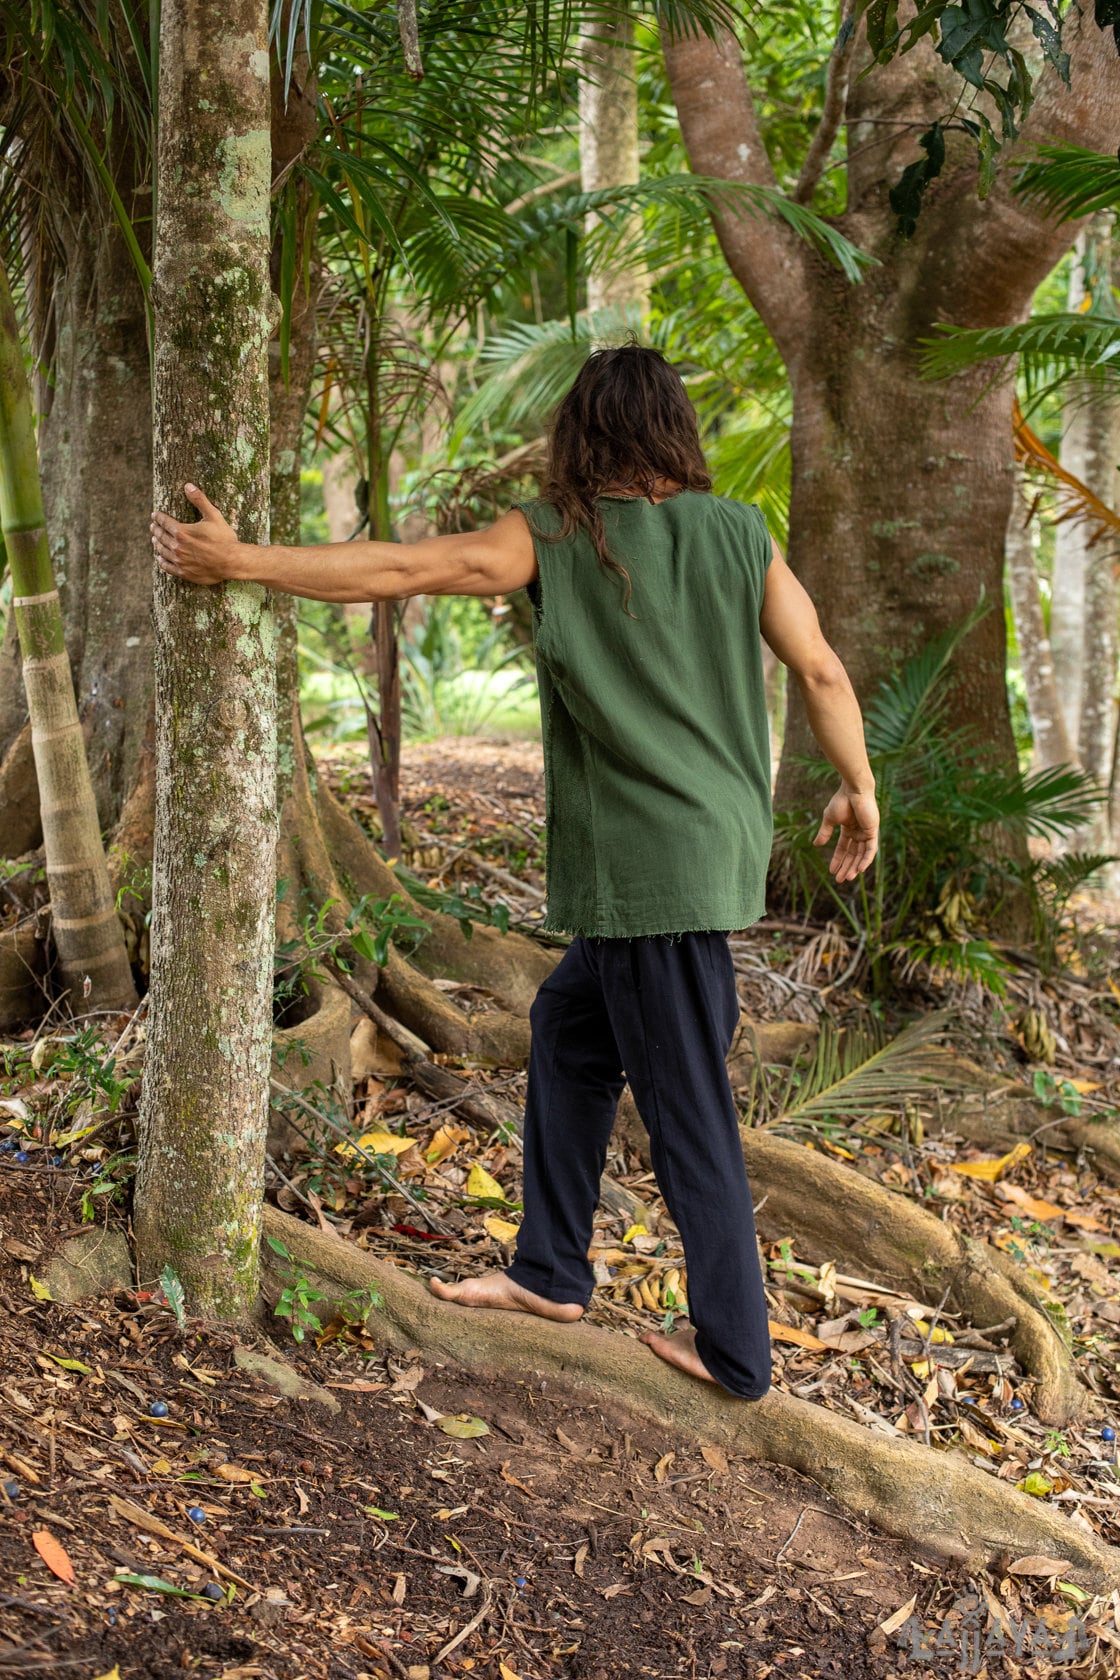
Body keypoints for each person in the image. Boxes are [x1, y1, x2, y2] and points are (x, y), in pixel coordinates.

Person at [151, 343, 879, 1399]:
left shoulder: (556, 534)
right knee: (570, 1035)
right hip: (708, 849)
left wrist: (242, 561)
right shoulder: (737, 535)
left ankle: (736, 1352)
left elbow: (403, 570)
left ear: (581, 437)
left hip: (651, 874)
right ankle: (550, 1270)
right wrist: (856, 783)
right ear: (675, 433)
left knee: (687, 1111)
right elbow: (817, 665)